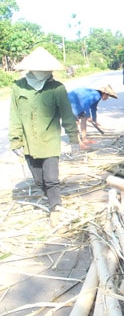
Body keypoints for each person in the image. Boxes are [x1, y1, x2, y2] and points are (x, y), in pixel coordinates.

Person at [9, 47, 80, 230]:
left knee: (51, 178)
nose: (45, 73)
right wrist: (15, 140)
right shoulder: (18, 87)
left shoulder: (57, 88)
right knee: (39, 180)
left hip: (49, 141)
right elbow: (15, 115)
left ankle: (55, 208)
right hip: (29, 143)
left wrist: (73, 139)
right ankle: (49, 197)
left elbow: (67, 115)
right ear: (31, 69)